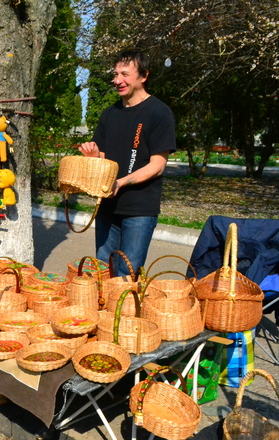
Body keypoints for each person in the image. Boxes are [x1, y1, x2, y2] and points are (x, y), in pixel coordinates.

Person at [78, 49, 176, 276]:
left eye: (124, 74)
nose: (117, 80)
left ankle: (124, 312)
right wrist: (93, 158)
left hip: (139, 209)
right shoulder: (109, 114)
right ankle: (102, 313)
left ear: (143, 76)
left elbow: (157, 165)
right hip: (107, 206)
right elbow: (104, 158)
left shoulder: (159, 113)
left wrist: (121, 183)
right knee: (102, 272)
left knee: (126, 274)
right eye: (115, 75)